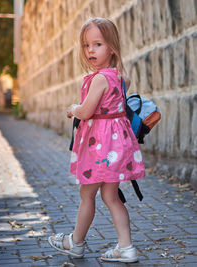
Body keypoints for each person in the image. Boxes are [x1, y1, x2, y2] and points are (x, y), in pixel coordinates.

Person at [48, 17, 145, 263]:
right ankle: (126, 247)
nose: (90, 50)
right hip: (118, 146)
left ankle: (75, 242)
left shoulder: (99, 79)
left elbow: (87, 111)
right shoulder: (122, 78)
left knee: (86, 194)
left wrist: (73, 108)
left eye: (97, 44)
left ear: (111, 47)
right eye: (86, 45)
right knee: (111, 196)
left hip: (99, 148)